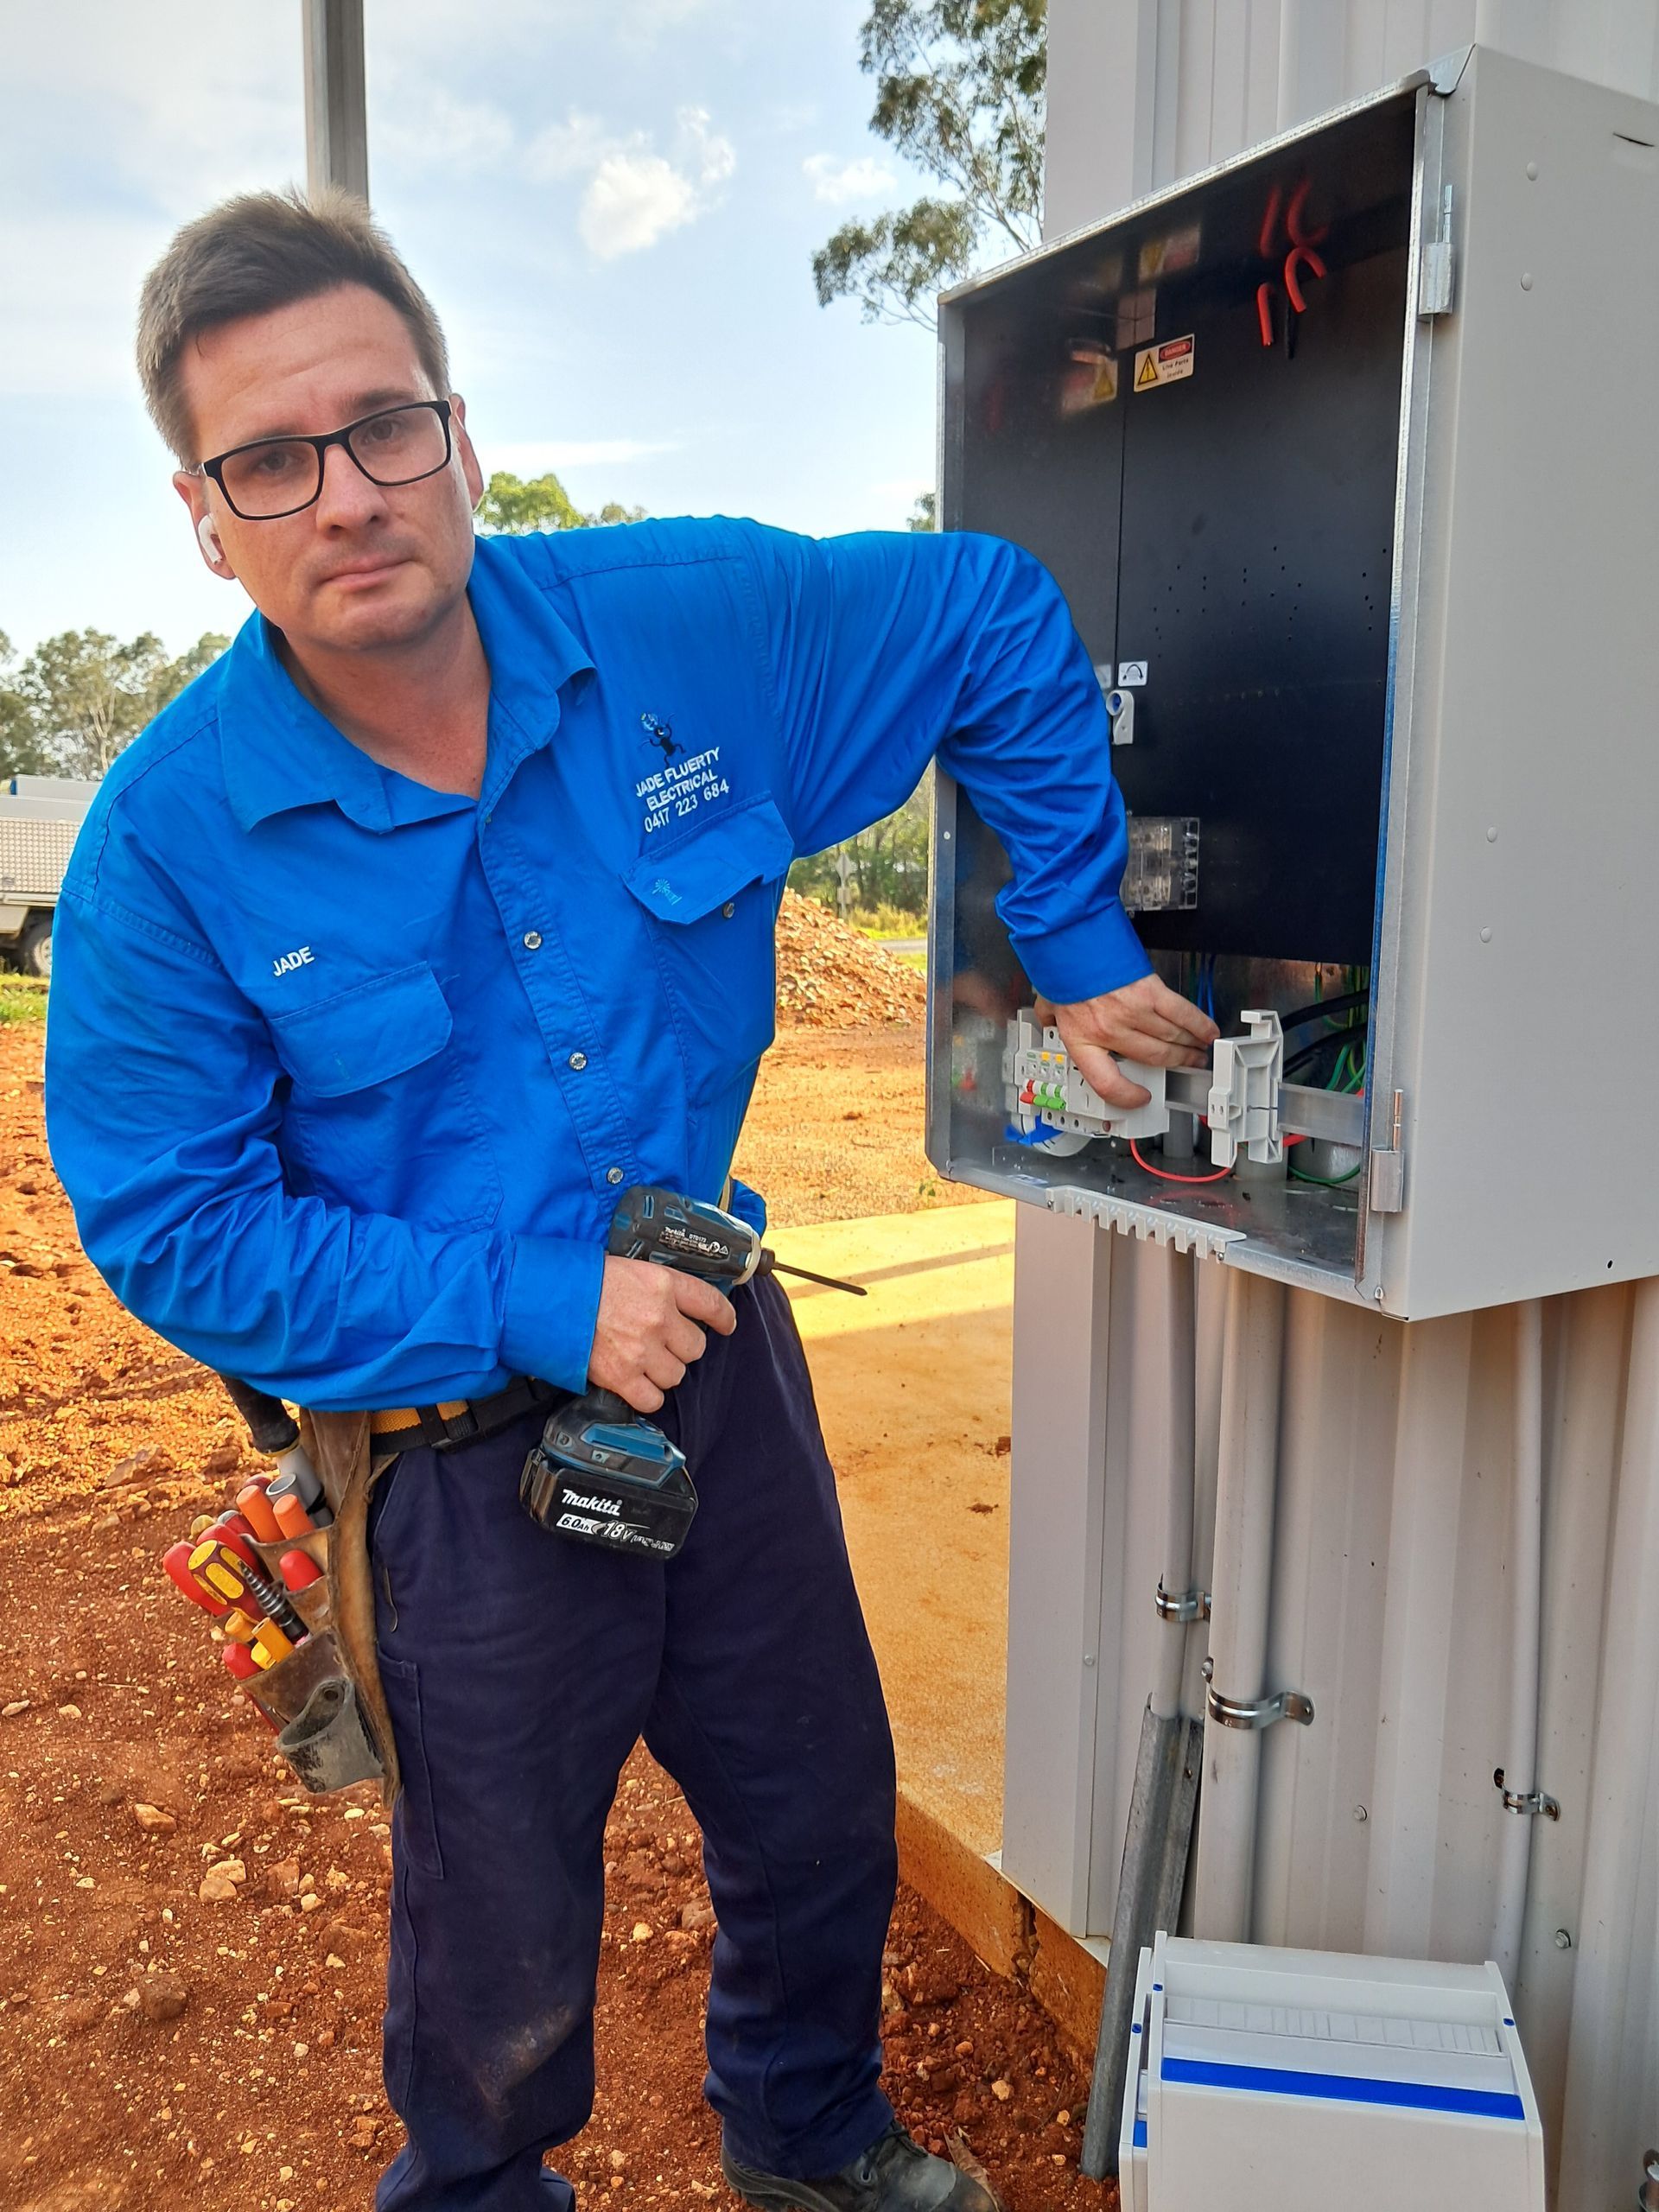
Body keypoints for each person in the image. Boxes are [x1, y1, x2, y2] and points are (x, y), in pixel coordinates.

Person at [44, 188, 1217, 2212]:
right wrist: (536, 1303)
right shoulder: (167, 851)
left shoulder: (688, 627)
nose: (346, 492)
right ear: (205, 514)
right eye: (271, 459)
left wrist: (1078, 927)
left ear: (462, 435)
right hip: (448, 1451)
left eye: (384, 424)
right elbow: (175, 1224)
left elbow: (995, 615)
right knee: (495, 1915)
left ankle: (807, 2124)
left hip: (719, 1350)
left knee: (817, 1798)